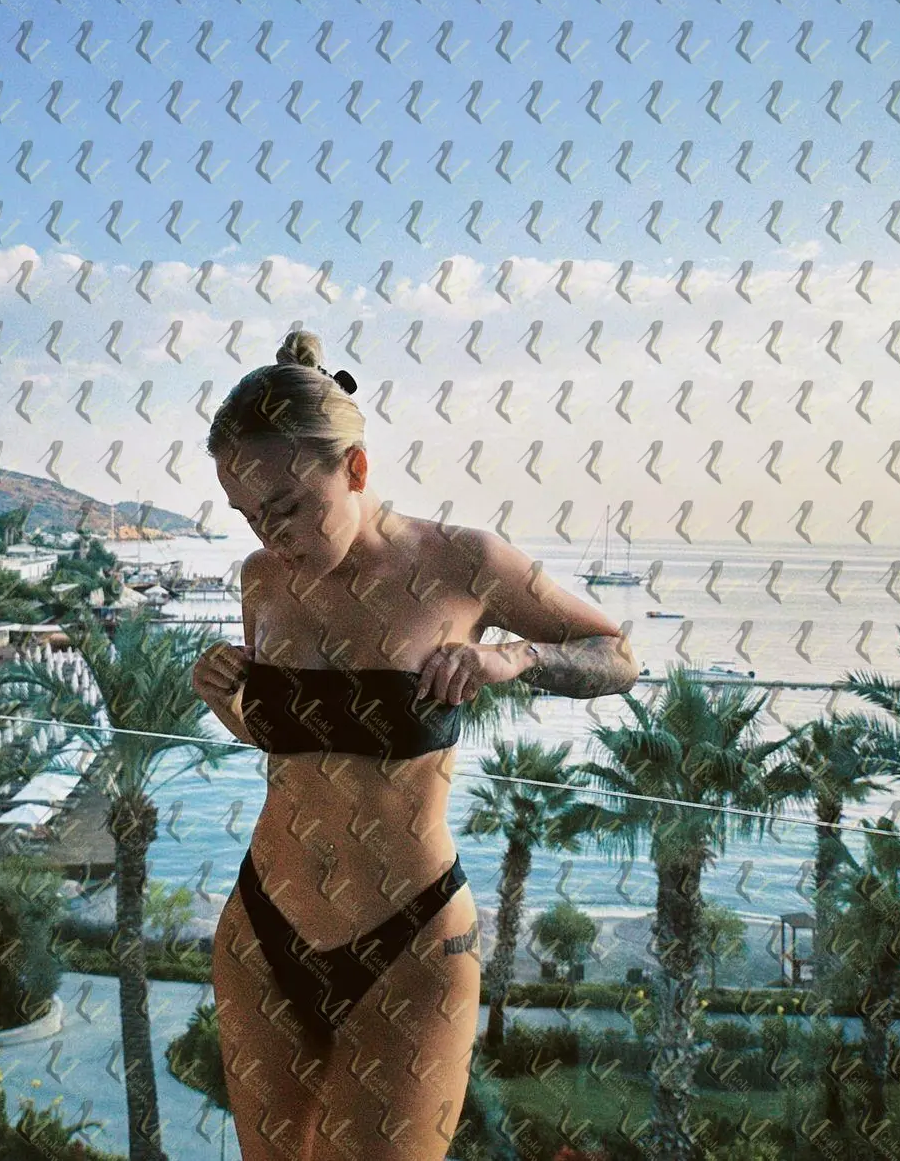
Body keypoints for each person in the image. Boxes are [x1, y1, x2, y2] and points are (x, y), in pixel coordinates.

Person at [193, 327, 639, 1161]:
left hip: (409, 942)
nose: (270, 535)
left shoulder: (464, 562)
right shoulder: (261, 582)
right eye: (249, 516)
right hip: (261, 929)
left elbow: (617, 655)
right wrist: (229, 703)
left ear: (355, 469)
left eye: (286, 508)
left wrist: (514, 658)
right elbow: (295, 752)